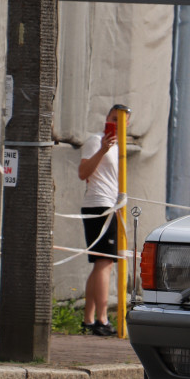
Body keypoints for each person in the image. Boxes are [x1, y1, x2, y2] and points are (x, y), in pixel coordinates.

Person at [77, 104, 130, 336]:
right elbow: (82, 173)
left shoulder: (122, 148)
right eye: (114, 120)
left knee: (101, 263)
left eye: (122, 122)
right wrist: (102, 149)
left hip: (112, 205)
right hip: (99, 204)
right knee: (105, 262)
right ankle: (102, 318)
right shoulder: (95, 140)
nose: (117, 125)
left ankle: (89, 318)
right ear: (107, 119)